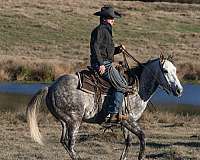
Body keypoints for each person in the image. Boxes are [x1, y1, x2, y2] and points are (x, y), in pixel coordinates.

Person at [90, 5, 128, 123]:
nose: (113, 20)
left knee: (121, 81)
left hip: (105, 62)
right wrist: (101, 64)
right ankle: (114, 113)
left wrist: (118, 49)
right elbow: (95, 47)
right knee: (122, 85)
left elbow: (106, 51)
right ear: (105, 19)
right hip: (103, 64)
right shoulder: (100, 30)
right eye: (111, 18)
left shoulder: (106, 30)